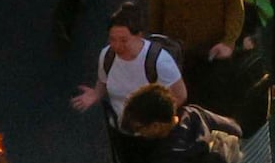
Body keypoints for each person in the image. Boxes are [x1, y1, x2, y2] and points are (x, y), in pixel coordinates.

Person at [73, 8, 190, 142]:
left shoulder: (160, 62)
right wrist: (96, 93)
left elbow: (181, 95)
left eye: (123, 40)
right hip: (121, 129)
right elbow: (103, 80)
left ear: (139, 36)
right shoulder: (107, 56)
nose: (117, 46)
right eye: (112, 39)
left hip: (150, 136)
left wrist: (152, 119)